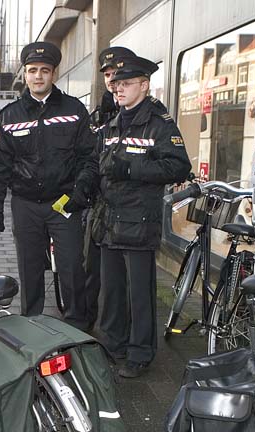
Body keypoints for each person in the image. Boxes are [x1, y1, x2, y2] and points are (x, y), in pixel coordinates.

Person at [0, 41, 98, 329]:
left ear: (53, 74)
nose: (38, 76)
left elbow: (89, 157)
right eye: (32, 70)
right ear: (25, 73)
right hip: (25, 206)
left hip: (64, 203)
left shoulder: (74, 110)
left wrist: (80, 192)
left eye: (44, 71)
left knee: (72, 267)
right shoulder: (9, 115)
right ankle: (32, 325)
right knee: (30, 269)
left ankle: (77, 327)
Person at [96, 56, 191, 378]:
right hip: (109, 219)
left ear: (144, 85)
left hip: (138, 221)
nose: (118, 89)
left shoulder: (159, 123)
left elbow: (179, 167)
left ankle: (140, 354)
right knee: (112, 291)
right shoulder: (113, 122)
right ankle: (114, 345)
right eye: (116, 85)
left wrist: (131, 168)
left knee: (139, 295)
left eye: (126, 84)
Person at [84, 46, 137, 329]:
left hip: (129, 209)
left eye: (116, 73)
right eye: (107, 74)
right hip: (99, 205)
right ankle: (89, 324)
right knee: (92, 269)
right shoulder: (99, 114)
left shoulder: (140, 110)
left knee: (125, 279)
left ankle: (122, 329)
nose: (111, 79)